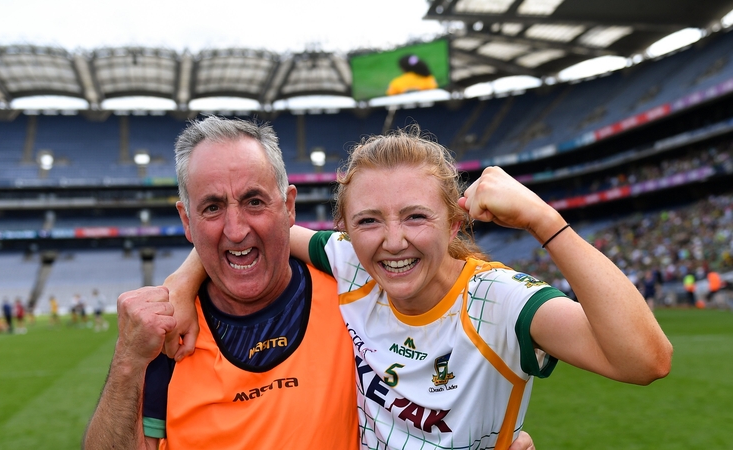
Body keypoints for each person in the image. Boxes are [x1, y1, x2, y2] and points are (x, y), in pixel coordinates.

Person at [166, 126, 673, 449]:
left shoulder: (499, 302)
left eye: (415, 216)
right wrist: (183, 281)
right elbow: (251, 232)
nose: (392, 242)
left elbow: (646, 360)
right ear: (345, 229)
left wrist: (545, 221)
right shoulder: (352, 263)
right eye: (368, 220)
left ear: (454, 222)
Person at [83, 116, 360, 450]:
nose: (236, 229)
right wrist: (127, 361)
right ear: (187, 221)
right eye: (212, 208)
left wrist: (184, 277)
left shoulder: (354, 294)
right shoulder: (169, 335)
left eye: (254, 201)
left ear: (288, 206)